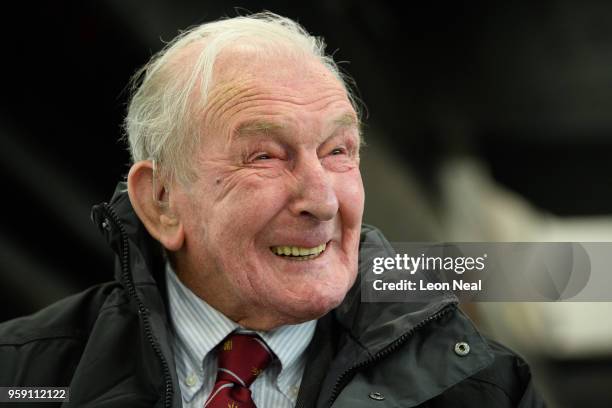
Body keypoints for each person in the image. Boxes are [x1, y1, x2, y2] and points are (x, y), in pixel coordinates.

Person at [0, 12, 544, 407]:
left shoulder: (486, 387)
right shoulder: (21, 373)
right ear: (161, 201)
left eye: (338, 152)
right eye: (264, 156)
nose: (322, 199)